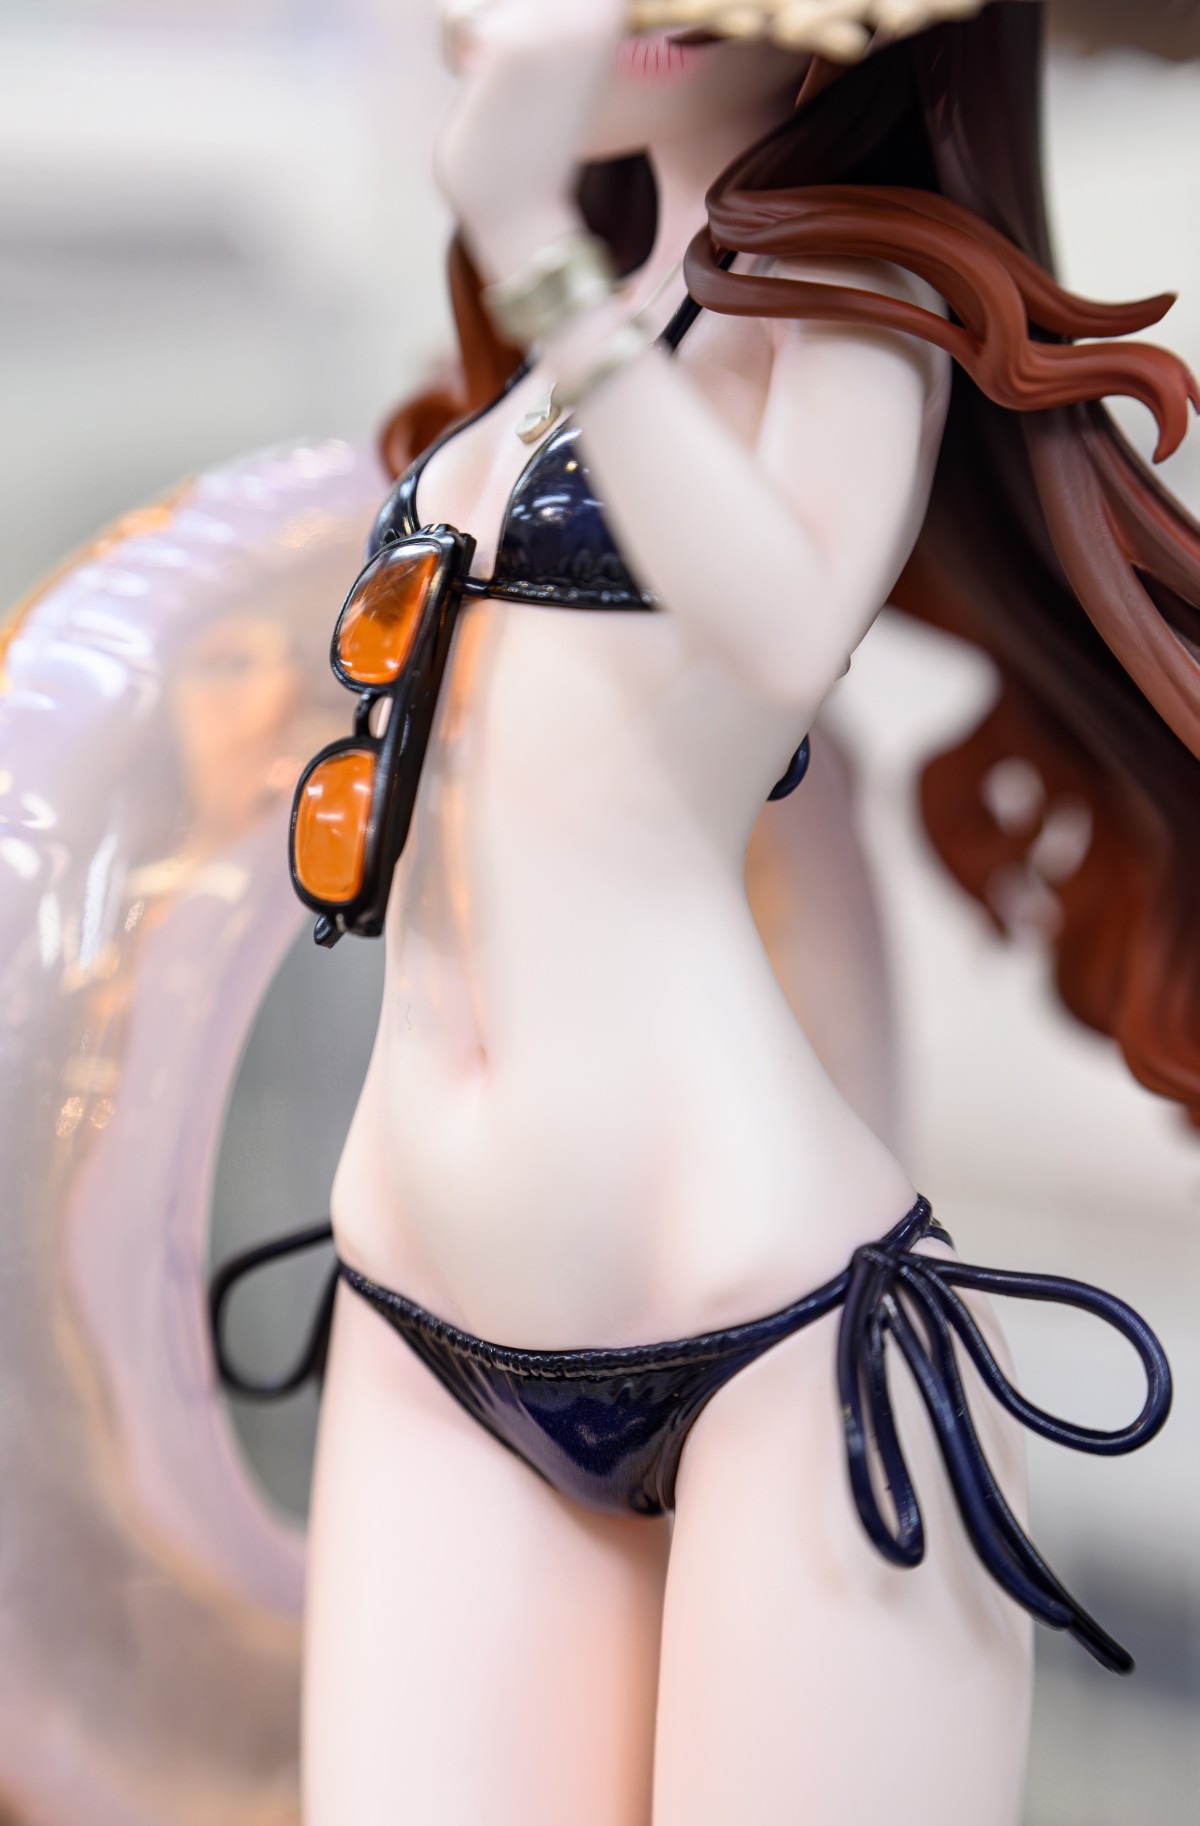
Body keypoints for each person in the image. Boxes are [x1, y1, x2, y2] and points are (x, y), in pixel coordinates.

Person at [247, 4, 1196, 1821]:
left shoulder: (852, 318)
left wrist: (530, 238)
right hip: (419, 1294)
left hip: (769, 1338)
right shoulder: (577, 344)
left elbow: (777, 624)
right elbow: (770, 797)